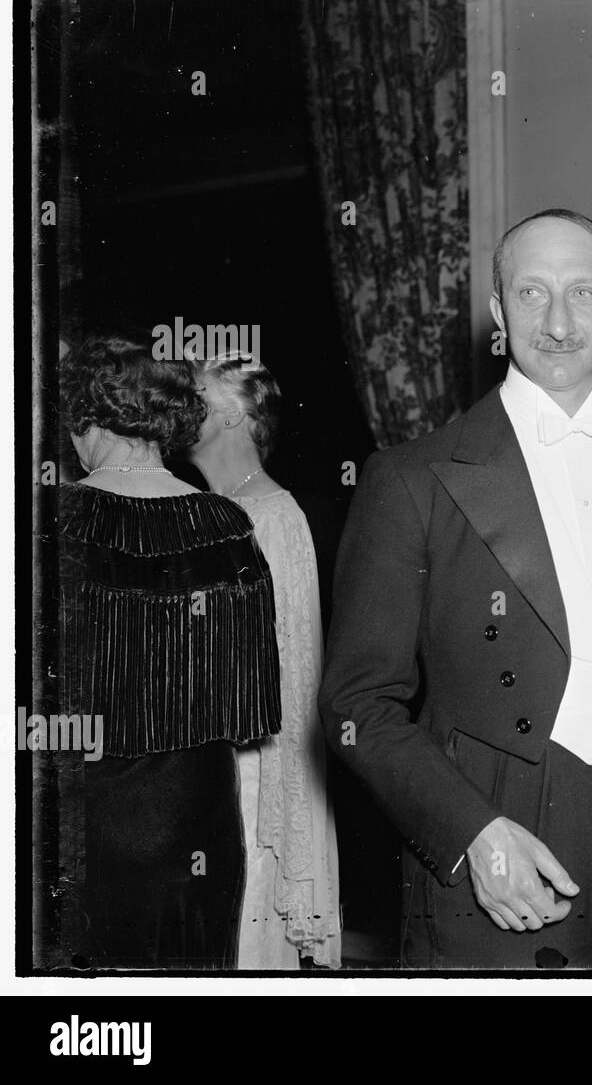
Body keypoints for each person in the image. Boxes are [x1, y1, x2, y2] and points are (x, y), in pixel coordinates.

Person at [320, 208, 592, 968]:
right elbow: (355, 706)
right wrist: (470, 832)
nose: (560, 322)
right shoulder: (412, 480)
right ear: (499, 313)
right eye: (532, 294)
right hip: (509, 816)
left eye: (583, 294)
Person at [55, 335, 282, 969]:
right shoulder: (228, 524)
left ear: (83, 419)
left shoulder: (52, 522)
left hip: (81, 814)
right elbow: (252, 706)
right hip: (197, 817)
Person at [189, 352, 342, 969]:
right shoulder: (218, 510)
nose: (178, 407)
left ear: (233, 416)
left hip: (252, 778)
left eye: (195, 396)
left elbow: (288, 676)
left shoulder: (271, 517)